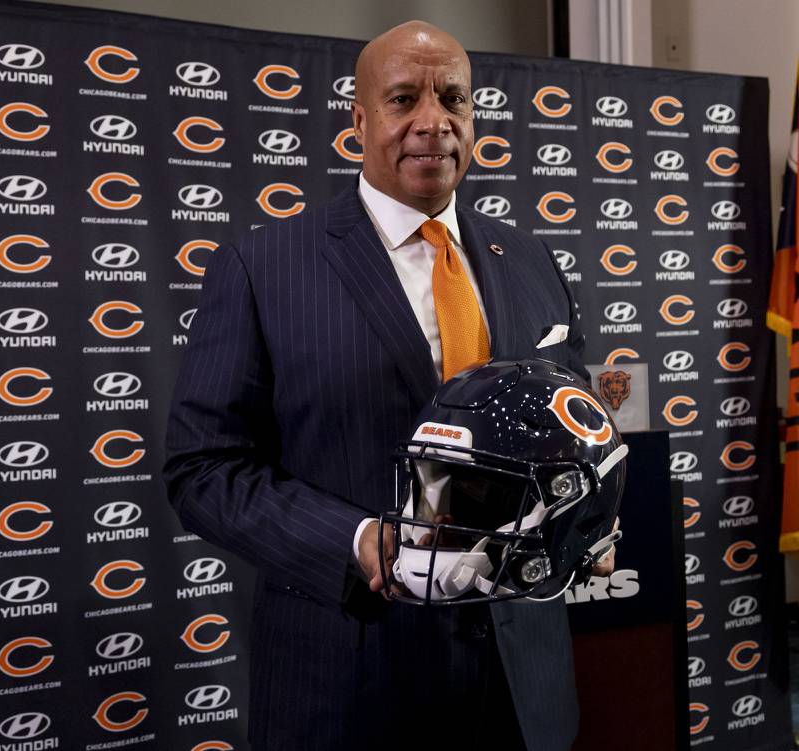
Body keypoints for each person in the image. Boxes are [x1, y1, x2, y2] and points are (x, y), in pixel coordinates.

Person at [165, 20, 612, 751]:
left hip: (522, 685)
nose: (432, 122)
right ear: (360, 120)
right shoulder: (264, 267)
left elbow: (571, 428)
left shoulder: (531, 261)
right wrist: (358, 541)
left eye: (453, 100)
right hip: (350, 680)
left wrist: (585, 516)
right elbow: (202, 469)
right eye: (404, 99)